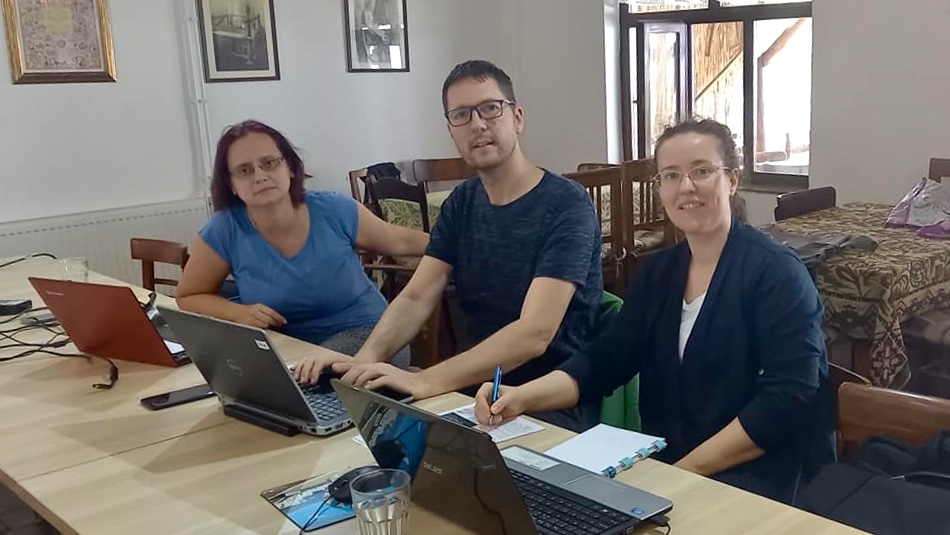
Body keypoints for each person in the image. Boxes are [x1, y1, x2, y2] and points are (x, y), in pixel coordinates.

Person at [474, 118, 834, 504]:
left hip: (760, 484)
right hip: (670, 471)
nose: (686, 186)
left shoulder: (777, 273)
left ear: (731, 180)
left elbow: (787, 400)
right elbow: (605, 360)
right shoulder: (659, 273)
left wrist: (679, 475)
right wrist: (521, 397)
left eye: (702, 171)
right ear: (660, 188)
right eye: (671, 175)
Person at [294, 60, 604, 433]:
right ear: (451, 131)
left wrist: (425, 380)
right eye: (461, 115)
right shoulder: (462, 202)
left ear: (517, 118)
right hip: (471, 398)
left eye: (490, 108)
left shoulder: (566, 204)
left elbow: (534, 333)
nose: (478, 124)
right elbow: (416, 296)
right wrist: (363, 361)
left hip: (548, 405)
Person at [176, 120, 428, 366]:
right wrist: (238, 313)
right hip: (286, 344)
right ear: (230, 184)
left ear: (290, 168)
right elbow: (189, 295)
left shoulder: (333, 209)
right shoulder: (224, 228)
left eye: (269, 163)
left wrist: (448, 242)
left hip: (368, 336)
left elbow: (402, 241)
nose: (260, 176)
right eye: (244, 170)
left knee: (306, 378)